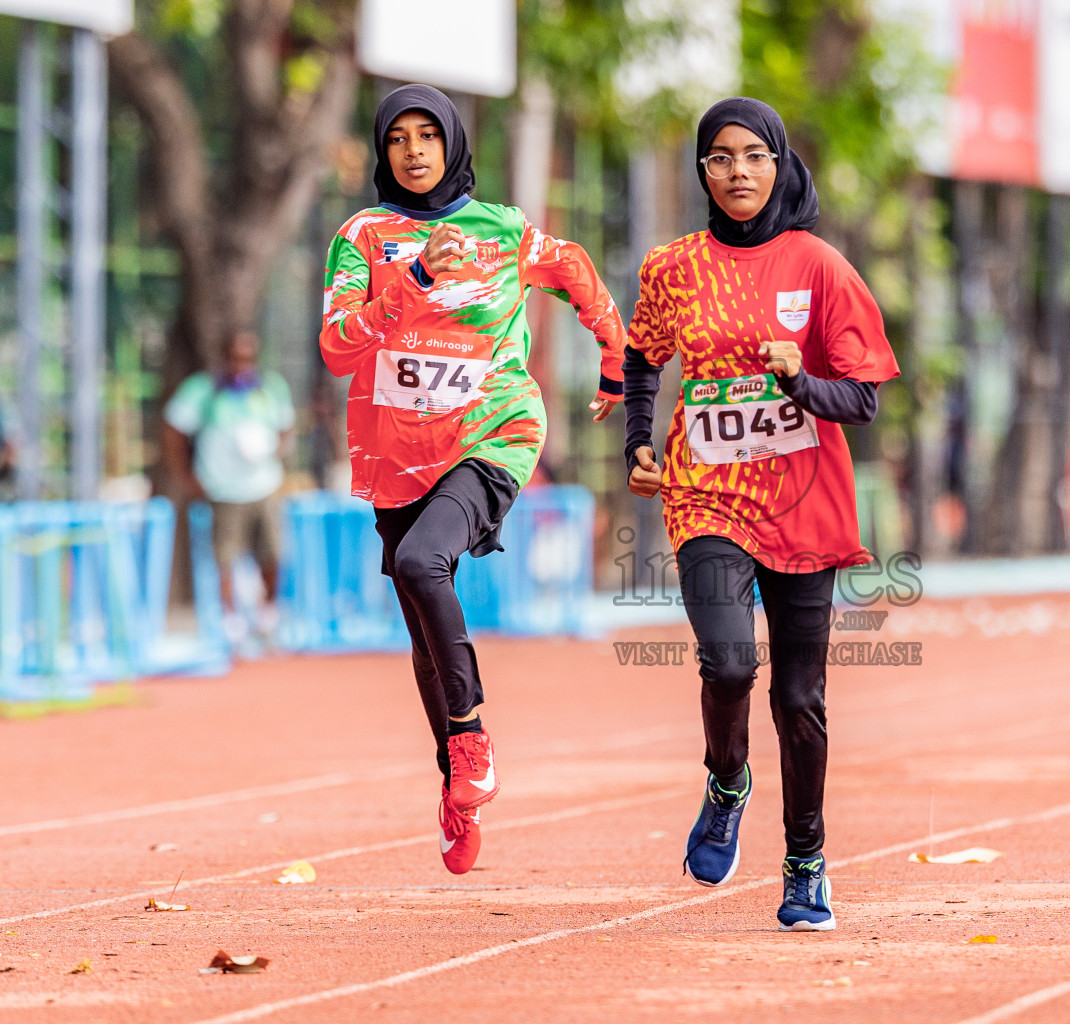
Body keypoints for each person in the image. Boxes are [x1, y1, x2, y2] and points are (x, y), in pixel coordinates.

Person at [319, 85, 625, 874]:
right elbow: (336, 344)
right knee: (423, 626)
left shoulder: (502, 231)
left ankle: (471, 734)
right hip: (396, 449)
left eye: (429, 135)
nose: (414, 151)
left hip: (493, 431)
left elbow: (577, 272)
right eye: (398, 139)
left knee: (426, 564)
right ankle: (455, 783)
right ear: (383, 152)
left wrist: (617, 358)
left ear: (453, 144)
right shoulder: (362, 236)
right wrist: (412, 280)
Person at [624, 97, 899, 931]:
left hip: (803, 501)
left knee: (801, 698)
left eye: (754, 156)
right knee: (732, 663)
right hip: (706, 491)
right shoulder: (673, 267)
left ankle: (806, 859)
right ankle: (727, 780)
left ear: (781, 165)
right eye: (719, 157)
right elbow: (642, 356)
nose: (737, 172)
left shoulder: (819, 266)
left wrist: (799, 383)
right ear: (701, 171)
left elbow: (863, 396)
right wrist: (639, 442)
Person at [163, 330, 295, 643]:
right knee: (225, 557)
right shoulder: (203, 391)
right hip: (223, 491)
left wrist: (274, 453)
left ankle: (267, 616)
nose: (241, 365)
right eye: (235, 358)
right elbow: (173, 430)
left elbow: (287, 428)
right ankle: (231, 622)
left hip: (264, 487)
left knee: (273, 553)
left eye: (247, 358)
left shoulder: (270, 388)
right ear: (224, 358)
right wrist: (186, 476)